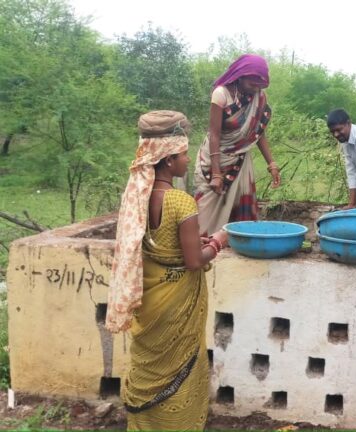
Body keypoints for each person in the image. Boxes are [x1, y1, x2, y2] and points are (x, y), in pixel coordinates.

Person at [106, 110, 229, 430]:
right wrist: (218, 241)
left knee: (149, 364)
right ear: (168, 160)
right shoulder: (180, 202)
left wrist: (193, 242)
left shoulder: (138, 197)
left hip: (151, 296)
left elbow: (154, 243)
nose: (188, 161)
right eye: (184, 155)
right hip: (176, 301)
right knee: (179, 367)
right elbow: (193, 261)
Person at [194, 54, 280, 235]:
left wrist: (271, 164)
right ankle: (201, 246)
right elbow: (214, 134)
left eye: (259, 85)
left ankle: (236, 244)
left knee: (239, 207)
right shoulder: (221, 94)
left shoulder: (259, 96)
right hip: (215, 158)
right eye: (252, 84)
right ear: (240, 77)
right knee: (205, 209)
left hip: (240, 160)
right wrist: (216, 173)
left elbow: (258, 132)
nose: (255, 89)